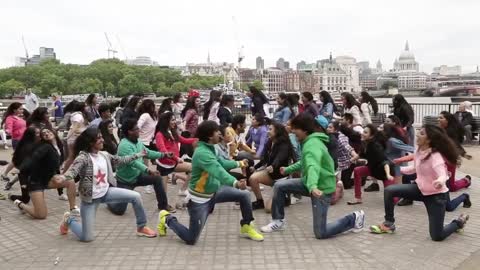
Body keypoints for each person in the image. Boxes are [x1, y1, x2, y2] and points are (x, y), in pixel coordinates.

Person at [157, 120, 264, 244]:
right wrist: (235, 183)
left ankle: (246, 225)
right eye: (217, 132)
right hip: (199, 200)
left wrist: (239, 163)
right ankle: (167, 219)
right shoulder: (203, 153)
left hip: (214, 192)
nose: (220, 134)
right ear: (209, 136)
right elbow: (218, 170)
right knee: (191, 239)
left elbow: (221, 163)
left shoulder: (211, 148)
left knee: (244, 195)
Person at [260, 114, 365, 237]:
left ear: (305, 130)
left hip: (321, 189)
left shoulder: (312, 145)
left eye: (295, 129)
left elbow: (312, 166)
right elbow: (306, 161)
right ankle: (278, 221)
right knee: (280, 185)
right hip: (310, 184)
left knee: (321, 232)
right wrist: (288, 169)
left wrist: (313, 186)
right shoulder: (309, 141)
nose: (292, 132)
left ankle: (354, 218)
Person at [370, 125, 470, 241]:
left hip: (436, 196)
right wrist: (397, 169)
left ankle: (458, 222)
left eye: (421, 134)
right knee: (389, 191)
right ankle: (388, 224)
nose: (417, 135)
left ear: (429, 139)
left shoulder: (435, 156)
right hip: (420, 189)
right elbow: (414, 169)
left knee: (437, 236)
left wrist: (439, 181)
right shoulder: (420, 150)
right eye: (418, 132)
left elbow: (442, 174)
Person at [58, 127, 156, 241]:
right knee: (87, 238)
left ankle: (141, 227)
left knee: (136, 197)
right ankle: (69, 220)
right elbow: (73, 171)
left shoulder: (104, 155)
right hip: (90, 199)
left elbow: (120, 160)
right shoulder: (83, 157)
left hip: (106, 192)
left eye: (101, 137)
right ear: (90, 142)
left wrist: (138, 154)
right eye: (99, 138)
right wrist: (63, 177)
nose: (102, 140)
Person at [107, 119, 175, 214]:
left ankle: (163, 205)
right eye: (136, 129)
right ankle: (109, 200)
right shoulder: (124, 145)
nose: (139, 130)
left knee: (157, 178)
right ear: (129, 132)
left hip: (138, 176)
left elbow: (147, 153)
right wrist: (147, 170)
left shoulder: (138, 141)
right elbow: (133, 162)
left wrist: (164, 155)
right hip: (125, 181)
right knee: (119, 210)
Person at [13, 128, 77, 219]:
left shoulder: (59, 146)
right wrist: (21, 169)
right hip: (36, 182)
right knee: (41, 215)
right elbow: (33, 157)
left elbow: (55, 165)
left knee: (70, 181)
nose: (46, 133)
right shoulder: (45, 147)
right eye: (43, 133)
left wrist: (55, 175)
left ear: (53, 132)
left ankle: (73, 208)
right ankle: (20, 204)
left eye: (48, 131)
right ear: (42, 138)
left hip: (48, 180)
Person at [249, 121, 295, 210]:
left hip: (281, 179)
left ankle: (285, 198)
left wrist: (273, 166)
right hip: (271, 175)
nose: (267, 131)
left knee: (269, 209)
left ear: (277, 131)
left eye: (270, 129)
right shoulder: (270, 142)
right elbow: (265, 159)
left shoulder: (284, 144)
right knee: (253, 178)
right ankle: (259, 201)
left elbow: (280, 157)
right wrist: (255, 167)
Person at [347, 124, 395, 205]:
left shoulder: (376, 147)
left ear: (371, 136)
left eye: (365, 132)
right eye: (363, 131)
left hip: (384, 172)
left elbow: (385, 162)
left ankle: (403, 194)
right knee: (357, 171)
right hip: (372, 169)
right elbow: (362, 154)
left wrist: (388, 175)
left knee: (392, 200)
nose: (362, 133)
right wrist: (351, 160)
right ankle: (358, 198)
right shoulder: (366, 143)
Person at [155, 112, 197, 196]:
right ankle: (163, 206)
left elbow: (184, 140)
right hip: (164, 165)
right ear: (166, 121)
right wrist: (177, 158)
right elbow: (163, 150)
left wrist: (197, 139)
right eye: (173, 120)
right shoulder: (159, 134)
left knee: (194, 168)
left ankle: (183, 190)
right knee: (163, 194)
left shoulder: (172, 132)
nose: (175, 122)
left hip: (174, 163)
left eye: (175, 119)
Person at [438, 111, 472, 191]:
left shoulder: (450, 132)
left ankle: (466, 181)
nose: (438, 119)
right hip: (438, 159)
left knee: (451, 187)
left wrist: (463, 154)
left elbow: (456, 144)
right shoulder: (438, 130)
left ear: (447, 120)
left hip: (450, 159)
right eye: (438, 117)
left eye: (441, 118)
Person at [4, 127, 41, 194]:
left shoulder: (37, 140)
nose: (39, 134)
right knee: (26, 196)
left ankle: (11, 182)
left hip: (27, 167)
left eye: (39, 132)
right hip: (25, 166)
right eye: (37, 133)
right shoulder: (28, 145)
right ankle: (11, 190)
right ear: (31, 134)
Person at [327, 121, 358, 189]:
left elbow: (347, 147)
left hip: (348, 162)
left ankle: (361, 179)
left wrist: (355, 155)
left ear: (336, 130)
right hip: (339, 162)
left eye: (330, 127)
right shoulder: (328, 136)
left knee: (346, 184)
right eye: (327, 127)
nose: (328, 129)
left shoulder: (341, 138)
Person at [63, 102, 89, 173]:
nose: (87, 108)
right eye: (86, 106)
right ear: (82, 108)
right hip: (74, 138)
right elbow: (75, 128)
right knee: (72, 157)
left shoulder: (77, 115)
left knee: (73, 157)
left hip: (74, 138)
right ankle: (65, 173)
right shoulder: (78, 116)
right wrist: (68, 137)